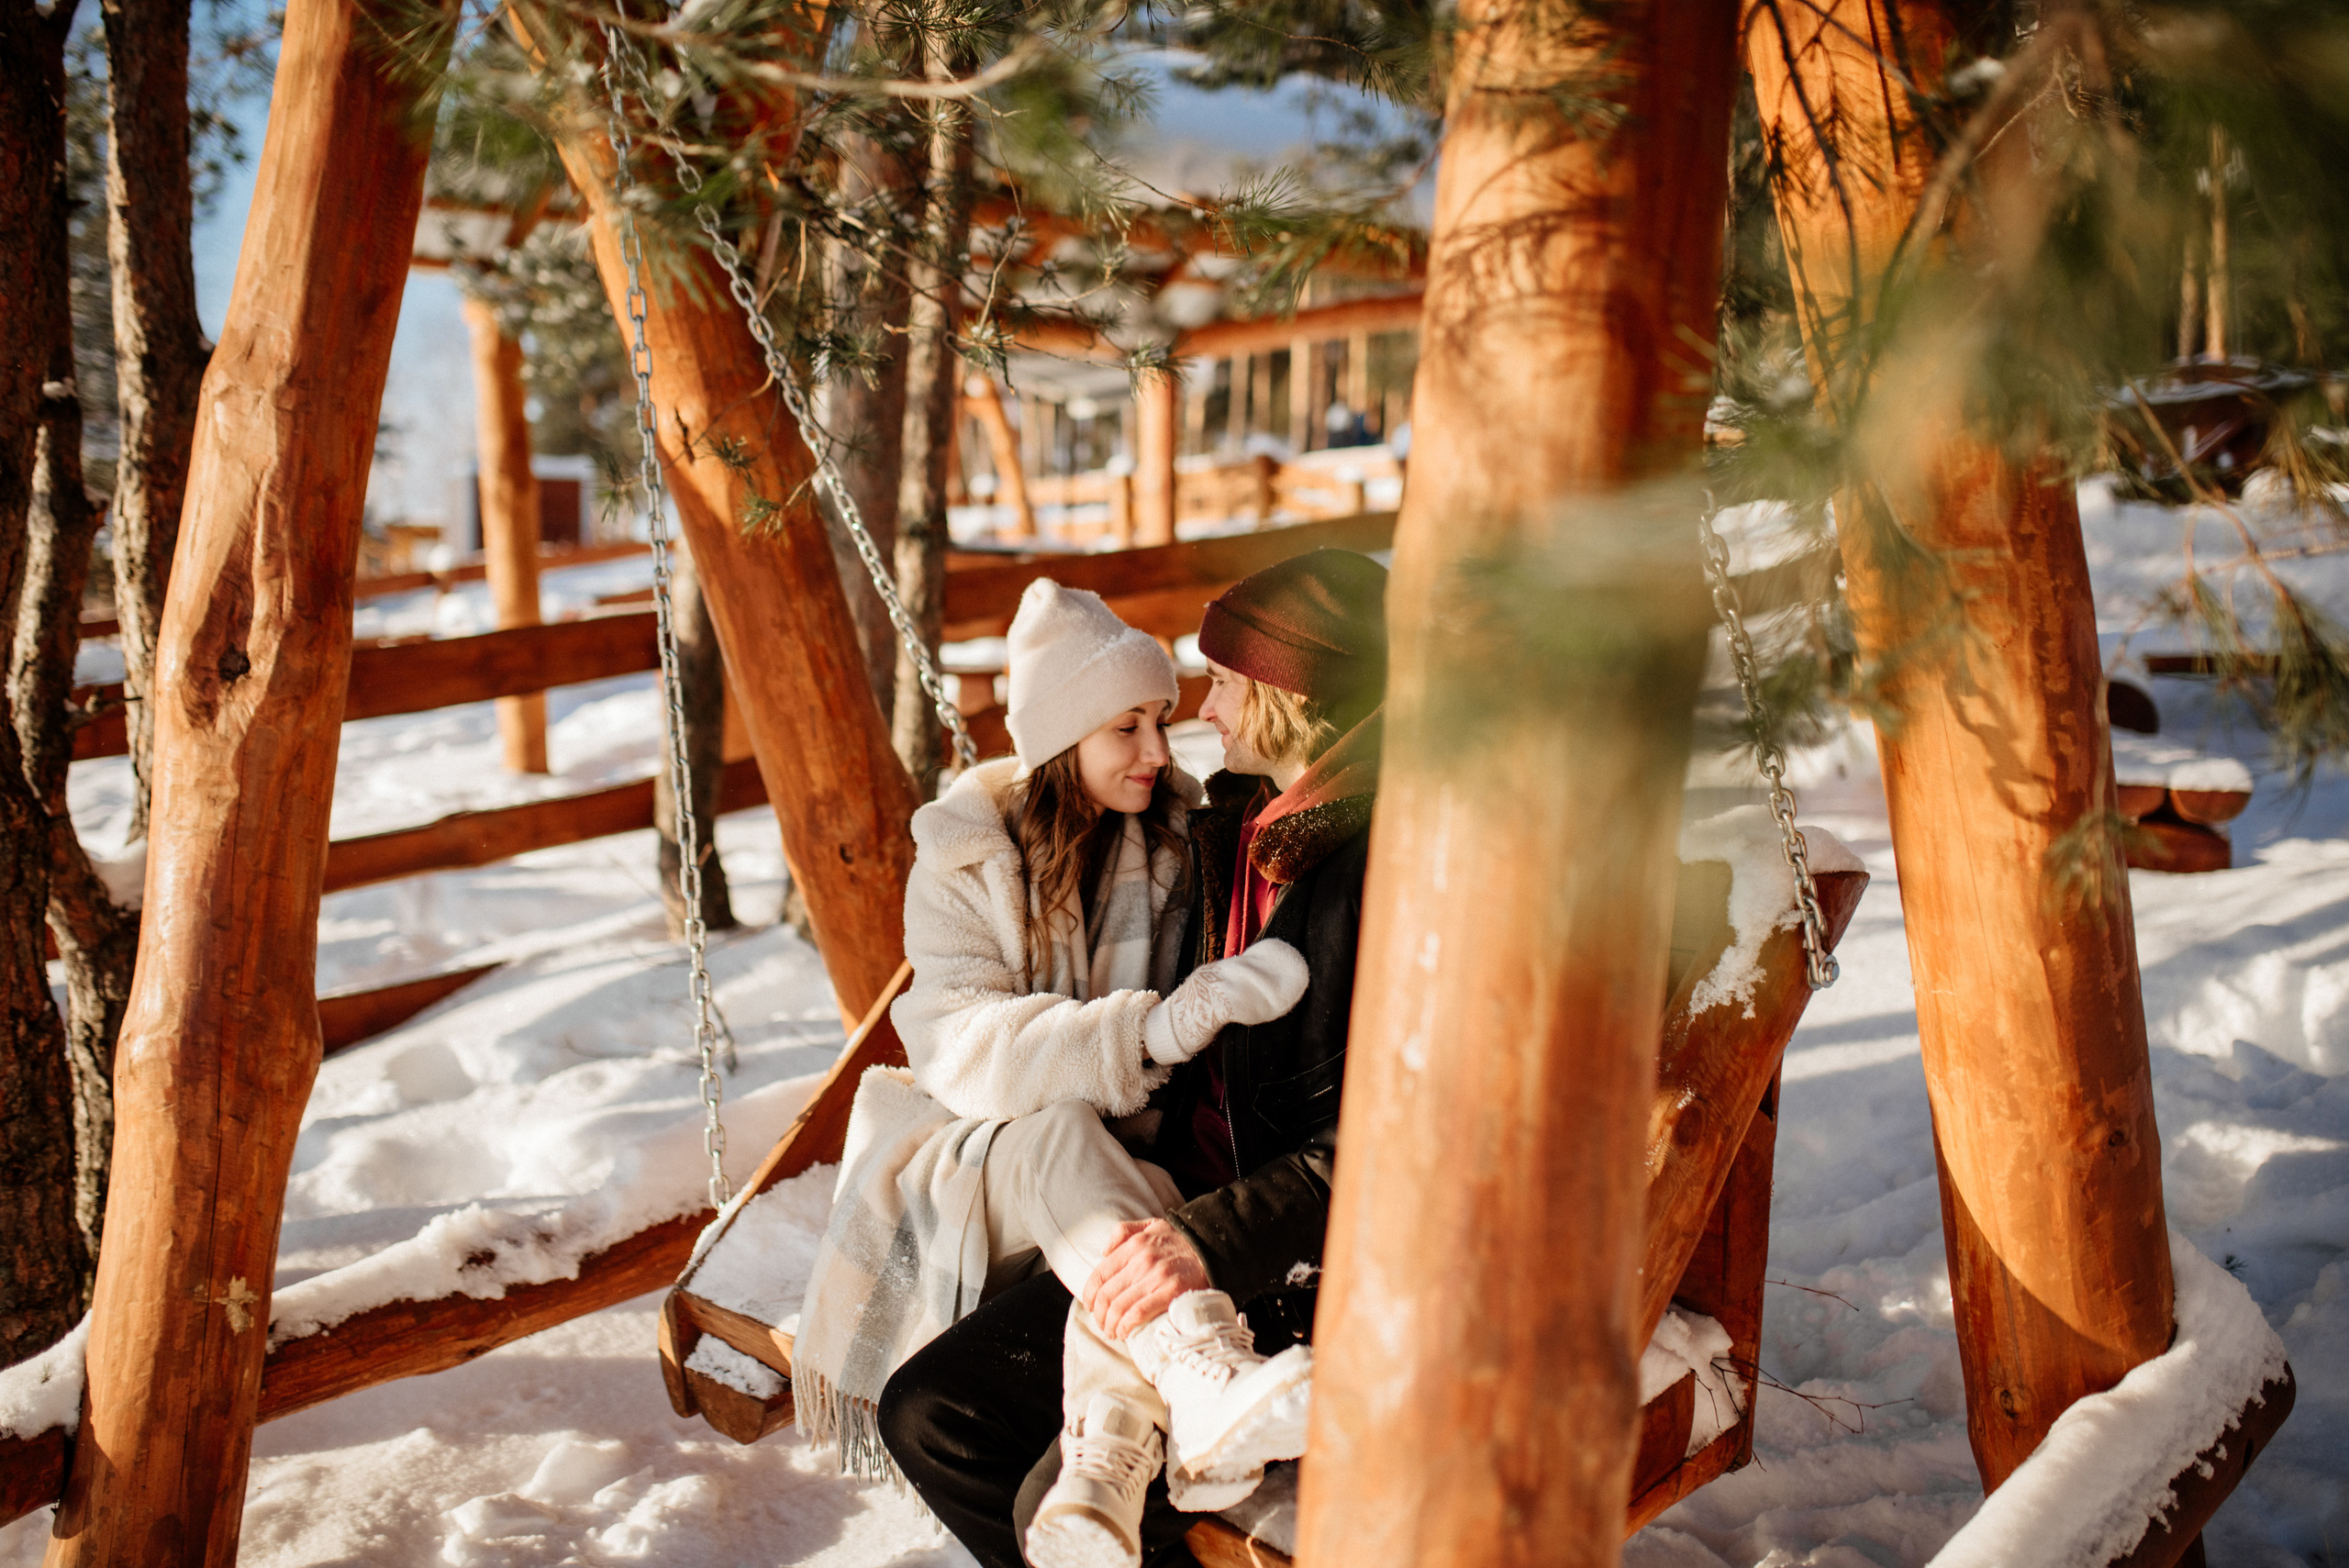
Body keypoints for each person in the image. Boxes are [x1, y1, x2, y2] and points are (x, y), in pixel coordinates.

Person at [878, 549, 1389, 1568]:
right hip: (1087, 1175)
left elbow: (1375, 1137)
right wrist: (1151, 1033)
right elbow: (959, 1043)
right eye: (1134, 721)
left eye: (1219, 683)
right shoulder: (1228, 825)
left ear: (1287, 693)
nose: (1188, 722)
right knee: (931, 1408)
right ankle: (1189, 1367)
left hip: (1260, 1221)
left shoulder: (1327, 851)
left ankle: (1183, 1382)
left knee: (1023, 1468)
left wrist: (1204, 1232)